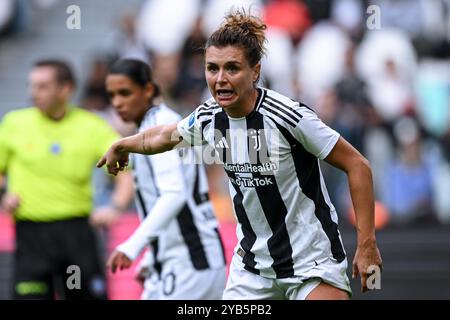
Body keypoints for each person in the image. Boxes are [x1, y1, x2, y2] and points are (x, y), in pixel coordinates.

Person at [98, 10, 383, 300]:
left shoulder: (288, 116)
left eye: (232, 68)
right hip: (252, 269)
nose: (220, 79)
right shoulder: (208, 117)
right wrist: (124, 145)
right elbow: (164, 135)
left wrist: (367, 243)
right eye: (212, 68)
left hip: (311, 263)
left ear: (255, 71)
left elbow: (357, 165)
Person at [0, 59, 133, 300]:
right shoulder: (14, 123)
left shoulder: (91, 126)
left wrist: (115, 207)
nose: (33, 93)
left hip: (77, 233)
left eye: (42, 86)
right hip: (31, 236)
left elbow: (125, 172)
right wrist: (3, 196)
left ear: (66, 89)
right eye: (32, 86)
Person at [105, 59, 227, 300]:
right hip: (177, 261)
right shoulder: (152, 127)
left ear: (148, 90)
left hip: (191, 262)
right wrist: (152, 256)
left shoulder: (160, 126)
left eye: (125, 93)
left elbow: (175, 194)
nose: (117, 102)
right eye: (112, 95)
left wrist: (132, 247)